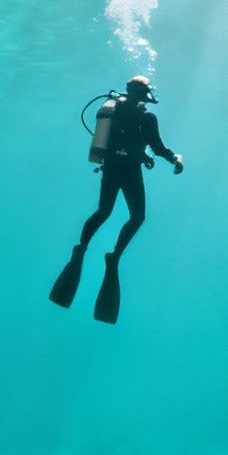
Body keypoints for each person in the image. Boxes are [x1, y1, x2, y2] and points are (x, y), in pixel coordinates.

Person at [50, 75, 182, 323]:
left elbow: (133, 145)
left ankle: (81, 250)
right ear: (144, 94)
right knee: (137, 216)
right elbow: (157, 147)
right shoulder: (146, 117)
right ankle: (114, 256)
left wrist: (149, 156)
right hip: (130, 170)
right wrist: (174, 159)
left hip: (112, 167)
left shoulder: (113, 111)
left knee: (104, 211)